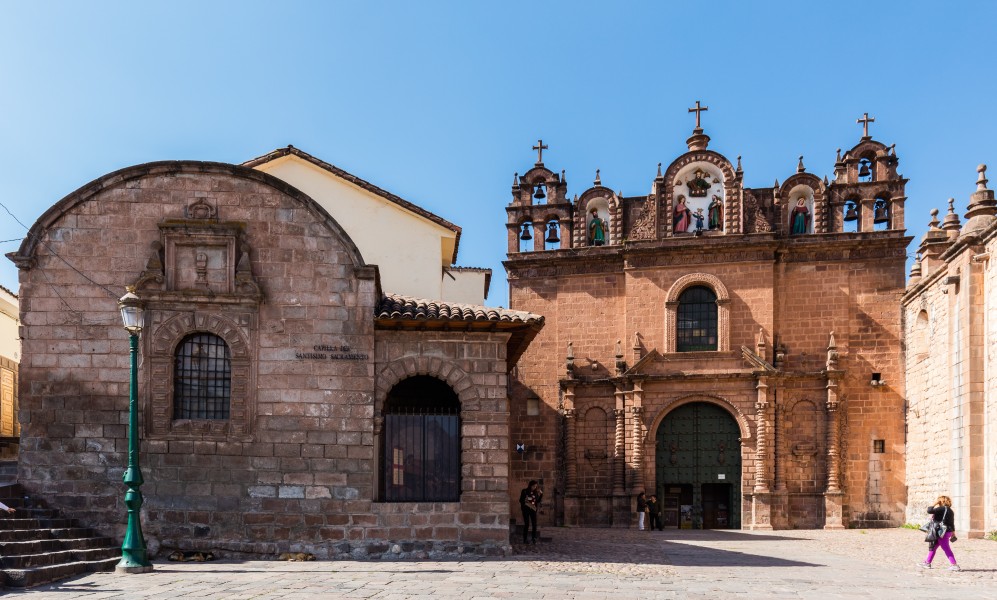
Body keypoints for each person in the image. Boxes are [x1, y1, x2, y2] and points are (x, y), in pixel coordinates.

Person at [920, 495, 959, 570]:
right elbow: (952, 523)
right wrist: (953, 532)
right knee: (933, 547)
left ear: (940, 501)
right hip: (947, 531)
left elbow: (929, 510)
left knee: (946, 548)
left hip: (941, 532)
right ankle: (927, 563)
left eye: (938, 501)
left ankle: (954, 564)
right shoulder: (950, 511)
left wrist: (935, 503)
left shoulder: (940, 509)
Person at [519, 480, 543, 544]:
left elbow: (537, 501)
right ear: (530, 485)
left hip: (533, 510)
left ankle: (534, 538)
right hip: (526, 510)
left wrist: (541, 495)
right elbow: (520, 500)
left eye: (535, 486)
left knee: (534, 524)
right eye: (533, 486)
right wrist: (525, 501)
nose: (534, 487)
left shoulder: (535, 493)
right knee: (527, 524)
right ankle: (525, 539)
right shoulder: (524, 491)